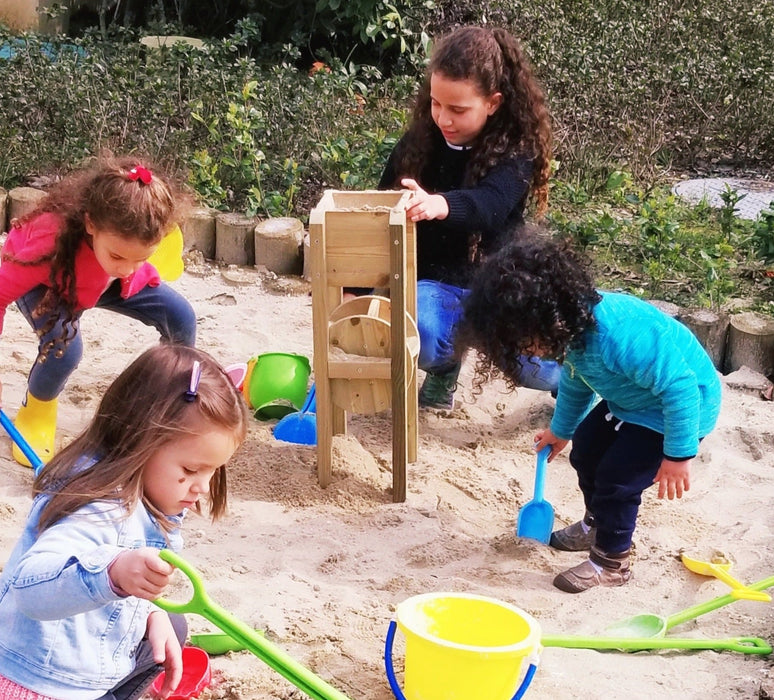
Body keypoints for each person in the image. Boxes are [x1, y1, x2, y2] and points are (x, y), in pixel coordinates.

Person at [460, 231, 722, 593]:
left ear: (552, 315)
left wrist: (678, 454)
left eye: (528, 341)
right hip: (632, 403)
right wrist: (561, 430)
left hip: (677, 410)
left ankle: (612, 562)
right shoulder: (572, 338)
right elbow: (577, 382)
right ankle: (597, 524)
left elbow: (680, 388)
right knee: (586, 451)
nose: (529, 352)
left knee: (618, 478)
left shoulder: (620, 336)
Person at [0, 343, 250, 699]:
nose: (204, 487)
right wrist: (112, 574)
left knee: (170, 624)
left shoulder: (147, 494)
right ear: (139, 441)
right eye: (191, 469)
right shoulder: (99, 506)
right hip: (37, 682)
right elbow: (30, 589)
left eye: (212, 471)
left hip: (90, 663)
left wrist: (147, 612)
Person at [376, 25, 560, 409]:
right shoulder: (417, 144)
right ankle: (444, 370)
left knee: (532, 368)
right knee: (419, 332)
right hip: (435, 285)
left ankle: (574, 385)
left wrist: (440, 204)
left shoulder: (516, 151)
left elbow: (490, 205)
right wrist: (357, 289)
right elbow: (378, 213)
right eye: (435, 103)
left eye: (458, 109)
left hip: (499, 287)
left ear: (492, 103)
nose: (443, 117)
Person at [0, 154, 197, 467]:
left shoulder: (125, 261)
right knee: (64, 349)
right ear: (91, 224)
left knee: (180, 316)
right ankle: (36, 412)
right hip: (49, 282)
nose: (129, 267)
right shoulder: (46, 245)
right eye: (120, 255)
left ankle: (172, 399)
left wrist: (126, 265)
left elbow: (129, 263)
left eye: (142, 257)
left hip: (99, 282)